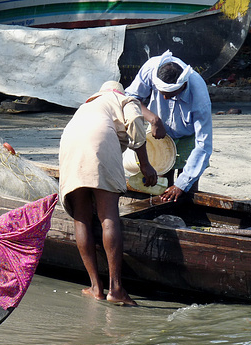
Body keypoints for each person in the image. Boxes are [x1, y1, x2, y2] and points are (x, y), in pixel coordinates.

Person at [59, 81, 157, 306]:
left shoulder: (88, 104)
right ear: (119, 91)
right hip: (99, 140)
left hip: (69, 142)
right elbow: (134, 120)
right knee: (108, 216)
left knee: (81, 217)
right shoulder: (124, 99)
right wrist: (145, 165)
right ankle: (116, 289)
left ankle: (95, 287)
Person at [125, 50, 213, 203]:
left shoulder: (199, 96)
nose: (165, 97)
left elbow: (203, 145)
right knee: (160, 181)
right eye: (162, 93)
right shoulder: (151, 68)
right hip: (158, 131)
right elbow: (130, 98)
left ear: (183, 85)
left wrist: (181, 184)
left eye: (170, 94)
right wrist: (154, 119)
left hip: (188, 135)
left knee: (187, 189)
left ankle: (186, 216)